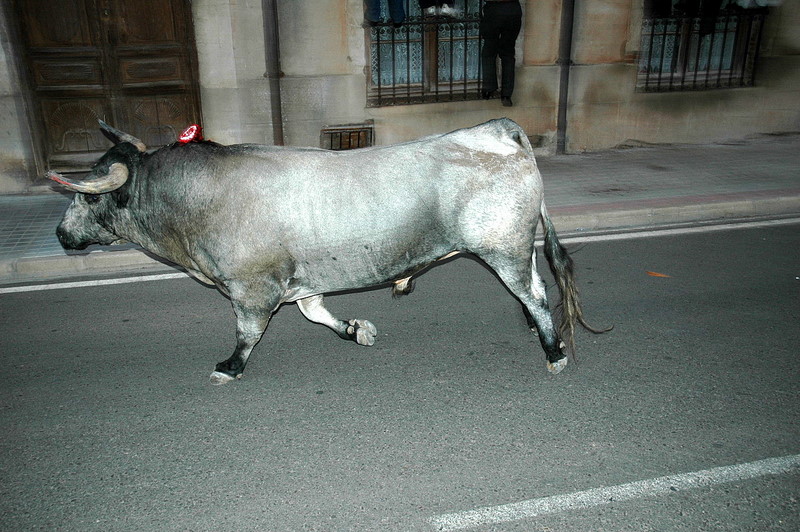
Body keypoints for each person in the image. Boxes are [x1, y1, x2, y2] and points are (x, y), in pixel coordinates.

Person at [480, 0, 522, 107]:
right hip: (513, 9)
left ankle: (489, 88)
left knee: (489, 51)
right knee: (508, 53)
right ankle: (506, 95)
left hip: (494, 8)